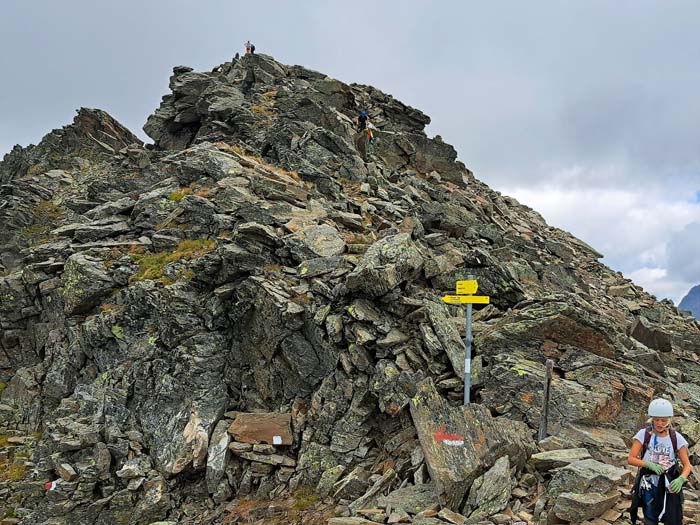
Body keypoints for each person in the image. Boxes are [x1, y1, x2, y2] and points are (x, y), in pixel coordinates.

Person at [628, 398, 691, 525]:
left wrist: (681, 479)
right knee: (650, 517)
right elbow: (631, 458)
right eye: (656, 419)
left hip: (670, 483)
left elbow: (687, 465)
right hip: (649, 483)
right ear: (652, 419)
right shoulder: (644, 434)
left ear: (670, 420)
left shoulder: (676, 438)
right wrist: (648, 464)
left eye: (663, 420)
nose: (660, 423)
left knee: (672, 517)